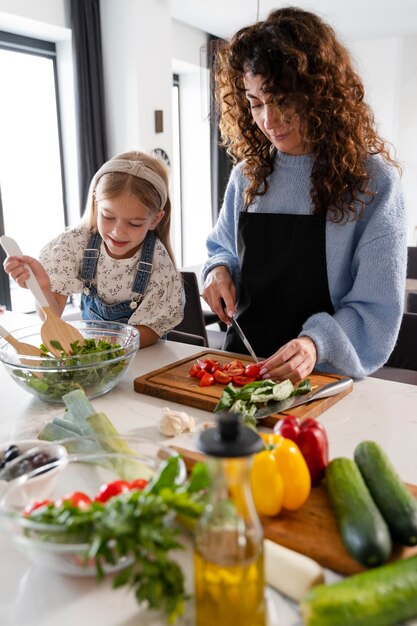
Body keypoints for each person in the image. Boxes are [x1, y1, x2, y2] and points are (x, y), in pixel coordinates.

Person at [202, 7, 407, 382]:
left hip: (323, 380)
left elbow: (376, 310)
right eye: (256, 102)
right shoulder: (247, 175)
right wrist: (217, 272)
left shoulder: (373, 182)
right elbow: (223, 249)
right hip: (242, 370)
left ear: (321, 94)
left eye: (282, 100)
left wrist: (315, 344)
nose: (268, 120)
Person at [3, 150, 184, 348]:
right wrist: (43, 288)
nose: (117, 232)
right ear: (96, 203)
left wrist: (104, 348)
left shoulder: (158, 262)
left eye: (134, 223)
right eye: (108, 217)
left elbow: (153, 331)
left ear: (155, 219)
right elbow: (51, 318)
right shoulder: (74, 245)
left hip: (140, 357)